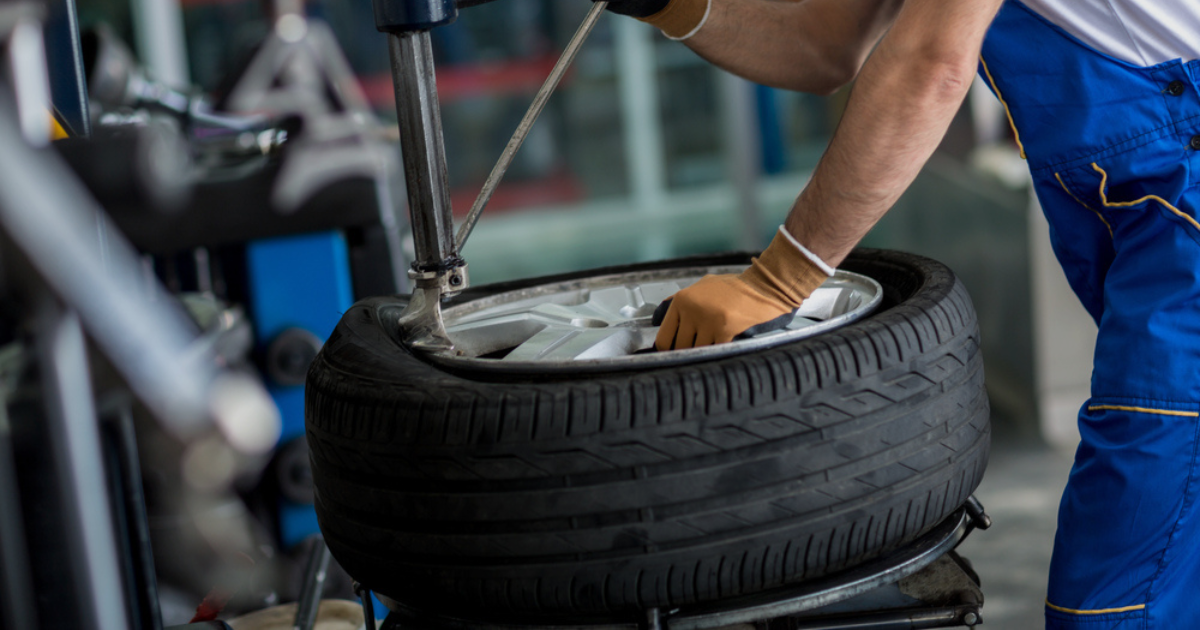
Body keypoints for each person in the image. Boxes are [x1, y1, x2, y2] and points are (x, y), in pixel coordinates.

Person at [594, 0, 1200, 627]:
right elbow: (826, 45)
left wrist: (780, 278)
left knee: (1118, 598)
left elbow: (932, 63)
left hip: (1186, 209)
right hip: (1154, 213)